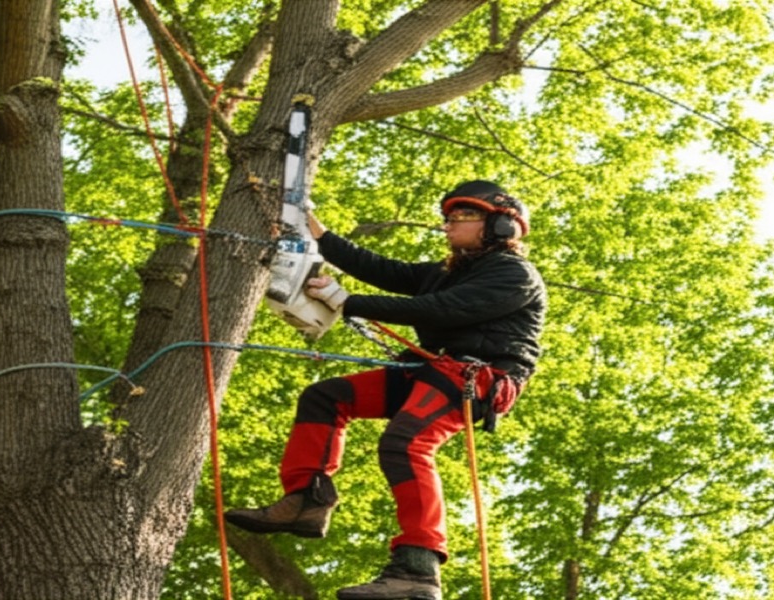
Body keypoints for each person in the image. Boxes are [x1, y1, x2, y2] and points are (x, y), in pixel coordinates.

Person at [226, 180, 547, 600]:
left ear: (502, 226)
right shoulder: (446, 272)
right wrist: (317, 234)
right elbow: (382, 269)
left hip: (476, 377)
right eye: (448, 217)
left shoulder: (514, 274)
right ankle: (306, 498)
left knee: (406, 445)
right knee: (326, 398)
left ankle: (419, 568)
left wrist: (347, 300)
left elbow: (442, 310)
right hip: (431, 370)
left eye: (462, 216)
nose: (448, 225)